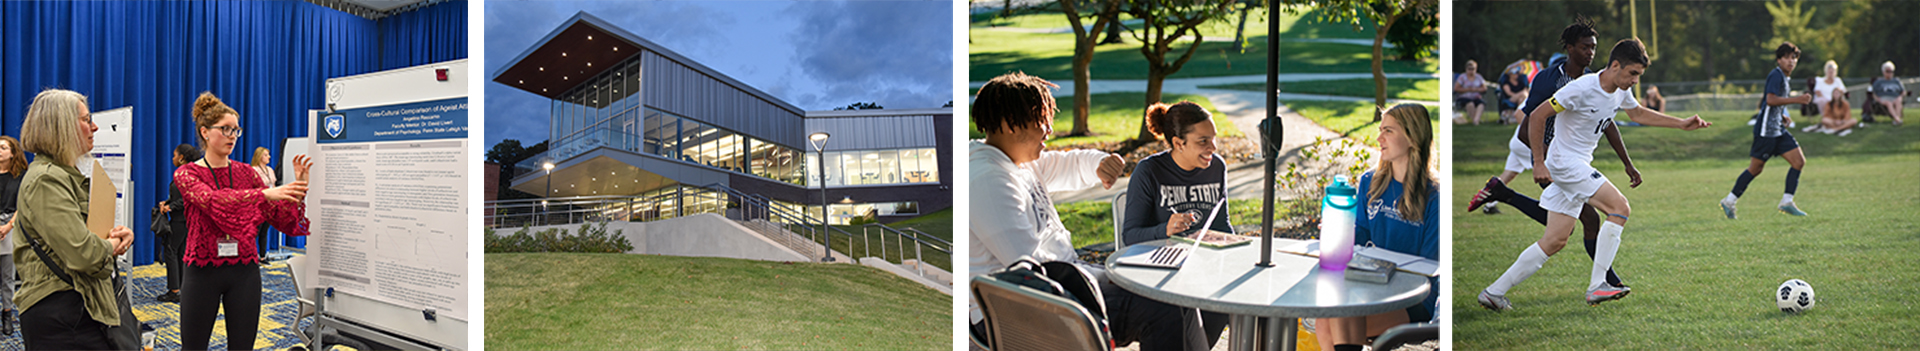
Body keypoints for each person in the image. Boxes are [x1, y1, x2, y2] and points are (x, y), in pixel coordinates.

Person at [969, 72, 1221, 350]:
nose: (1049, 130)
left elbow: (1070, 162)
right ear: (1010, 125)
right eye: (1041, 120)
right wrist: (1099, 282)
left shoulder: (1019, 163)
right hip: (1027, 311)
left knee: (1174, 293)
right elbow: (1027, 267)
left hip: (1063, 285)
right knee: (1165, 308)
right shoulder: (988, 180)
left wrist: (1100, 163)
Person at [1479, 38, 1712, 310]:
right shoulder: (1580, 88)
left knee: (1554, 240)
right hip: (1565, 163)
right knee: (1619, 207)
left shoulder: (1620, 89)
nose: (1635, 80)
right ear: (1615, 65)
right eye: (1632, 73)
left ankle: (1493, 292)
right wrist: (1539, 163)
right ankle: (1597, 285)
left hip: (1575, 164)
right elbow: (1539, 116)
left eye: (1639, 75)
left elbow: (1636, 113)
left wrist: (1681, 124)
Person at [1466, 17, 1635, 289]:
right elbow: (1528, 124)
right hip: (1549, 154)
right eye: (1584, 47)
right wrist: (1541, 161)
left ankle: (1502, 194)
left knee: (1564, 228)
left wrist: (1627, 162)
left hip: (1568, 155)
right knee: (1584, 220)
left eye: (1593, 47)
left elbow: (1608, 121)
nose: (1590, 52)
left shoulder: (1595, 79)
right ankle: (1606, 281)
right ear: (1569, 48)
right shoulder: (1549, 79)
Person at [176, 92, 312, 351]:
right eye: (225, 129)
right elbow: (212, 200)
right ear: (205, 132)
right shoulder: (187, 173)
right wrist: (262, 194)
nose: (231, 136)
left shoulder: (245, 172)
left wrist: (297, 191)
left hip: (244, 270)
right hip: (202, 270)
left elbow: (278, 218)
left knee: (243, 347)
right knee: (193, 347)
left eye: (236, 130)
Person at [13, 89, 136, 350]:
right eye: (86, 119)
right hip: (61, 313)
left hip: (78, 305)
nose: (94, 126)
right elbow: (83, 253)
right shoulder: (47, 179)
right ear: (61, 126)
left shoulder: (64, 175)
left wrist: (116, 236)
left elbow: (85, 238)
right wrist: (113, 245)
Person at [1314, 104, 1439, 351]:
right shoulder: (1370, 182)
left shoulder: (1435, 194)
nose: (1379, 138)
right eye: (1380, 130)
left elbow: (1430, 264)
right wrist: (1339, 233)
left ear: (1413, 137)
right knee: (1327, 318)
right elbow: (1361, 235)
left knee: (1340, 315)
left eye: (1388, 131)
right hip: (1370, 282)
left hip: (1414, 294)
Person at [1118, 101, 1232, 347]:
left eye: (1213, 138)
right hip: (1163, 273)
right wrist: (1165, 230)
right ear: (1179, 143)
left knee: (1237, 303)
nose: (1213, 147)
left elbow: (1222, 224)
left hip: (1205, 269)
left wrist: (1236, 249)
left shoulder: (1217, 167)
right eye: (1203, 141)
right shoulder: (1148, 171)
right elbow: (1130, 236)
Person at [1721, 43, 1814, 219]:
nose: (1790, 61)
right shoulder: (1776, 75)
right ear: (1779, 60)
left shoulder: (1785, 78)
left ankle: (1787, 202)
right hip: (1765, 132)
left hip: (1777, 130)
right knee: (1755, 169)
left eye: (1793, 58)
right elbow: (1770, 100)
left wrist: (1781, 116)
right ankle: (1729, 200)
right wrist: (1797, 100)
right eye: (1786, 57)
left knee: (1799, 161)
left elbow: (1772, 104)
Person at [156, 144, 201, 303]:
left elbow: (187, 198)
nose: (173, 158)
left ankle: (174, 291)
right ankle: (181, 288)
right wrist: (167, 202)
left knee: (170, 252)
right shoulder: (188, 173)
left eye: (175, 155)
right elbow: (180, 196)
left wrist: (171, 206)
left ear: (181, 158)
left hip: (180, 221)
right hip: (185, 220)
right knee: (180, 253)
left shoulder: (184, 174)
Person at [0, 136, 24, 335]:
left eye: (3, 148)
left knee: (7, 276)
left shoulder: (20, 177)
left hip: (9, 229)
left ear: (13, 153)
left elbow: (22, 206)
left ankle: (7, 314)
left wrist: (8, 226)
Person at [251, 146, 276, 259]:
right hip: (259, 205)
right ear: (259, 156)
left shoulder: (270, 170)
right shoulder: (253, 170)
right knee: (256, 231)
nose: (269, 157)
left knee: (264, 231)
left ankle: (262, 256)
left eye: (268, 155)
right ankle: (251, 256)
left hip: (270, 204)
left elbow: (273, 185)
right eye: (266, 155)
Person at [1868, 61, 1906, 126]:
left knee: (1898, 100)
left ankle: (1897, 120)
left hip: (1895, 97)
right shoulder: (1878, 82)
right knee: (1889, 103)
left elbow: (1903, 91)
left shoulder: (1896, 81)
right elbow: (1872, 92)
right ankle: (1897, 119)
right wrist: (1877, 99)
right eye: (1887, 71)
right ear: (1883, 72)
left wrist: (1901, 96)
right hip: (1883, 98)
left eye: (1891, 71)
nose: (1889, 73)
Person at [1456, 60, 1488, 124]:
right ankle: (1475, 121)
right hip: (1464, 97)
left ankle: (1476, 120)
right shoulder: (1462, 77)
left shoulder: (1479, 77)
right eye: (1469, 69)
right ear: (1466, 69)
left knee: (1481, 104)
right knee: (1470, 104)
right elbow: (1456, 88)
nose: (1471, 71)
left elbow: (1484, 88)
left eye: (1473, 69)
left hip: (1476, 97)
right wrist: (1467, 89)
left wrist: (1475, 89)